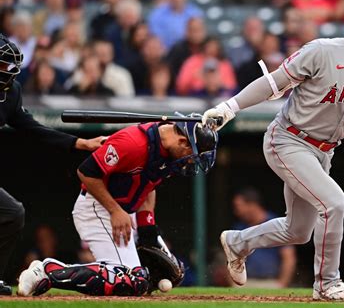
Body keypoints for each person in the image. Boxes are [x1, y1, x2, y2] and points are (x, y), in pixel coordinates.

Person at [202, 0, 344, 302]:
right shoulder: (323, 50)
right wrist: (229, 107)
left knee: (298, 230)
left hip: (323, 152)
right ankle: (327, 283)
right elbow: (274, 83)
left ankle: (238, 243)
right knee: (334, 203)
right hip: (288, 138)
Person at [17, 116, 219, 297]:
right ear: (182, 141)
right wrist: (115, 210)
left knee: (169, 274)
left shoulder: (168, 151)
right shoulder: (133, 143)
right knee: (130, 281)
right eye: (193, 155)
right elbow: (86, 173)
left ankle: (129, 275)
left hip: (125, 211)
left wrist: (147, 228)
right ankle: (47, 271)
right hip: (98, 208)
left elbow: (150, 186)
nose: (190, 162)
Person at [0, 34, 105, 296]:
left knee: (13, 214)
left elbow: (32, 129)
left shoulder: (10, 93)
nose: (8, 72)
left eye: (9, 67)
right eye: (2, 65)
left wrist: (81, 142)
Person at [232, 188, 296, 288]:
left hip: (270, 282)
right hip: (245, 283)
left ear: (252, 205)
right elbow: (231, 256)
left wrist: (282, 283)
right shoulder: (240, 227)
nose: (237, 211)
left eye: (239, 206)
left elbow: (288, 257)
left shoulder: (275, 224)